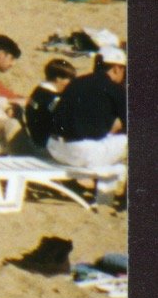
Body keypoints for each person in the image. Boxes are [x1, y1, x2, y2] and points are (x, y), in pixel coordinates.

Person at [45, 49, 127, 200]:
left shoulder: (76, 82)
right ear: (117, 68)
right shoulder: (115, 89)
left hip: (55, 149)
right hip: (81, 154)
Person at [22, 58, 76, 151]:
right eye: (69, 80)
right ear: (58, 79)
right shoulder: (51, 98)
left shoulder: (39, 91)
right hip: (46, 145)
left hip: (38, 139)